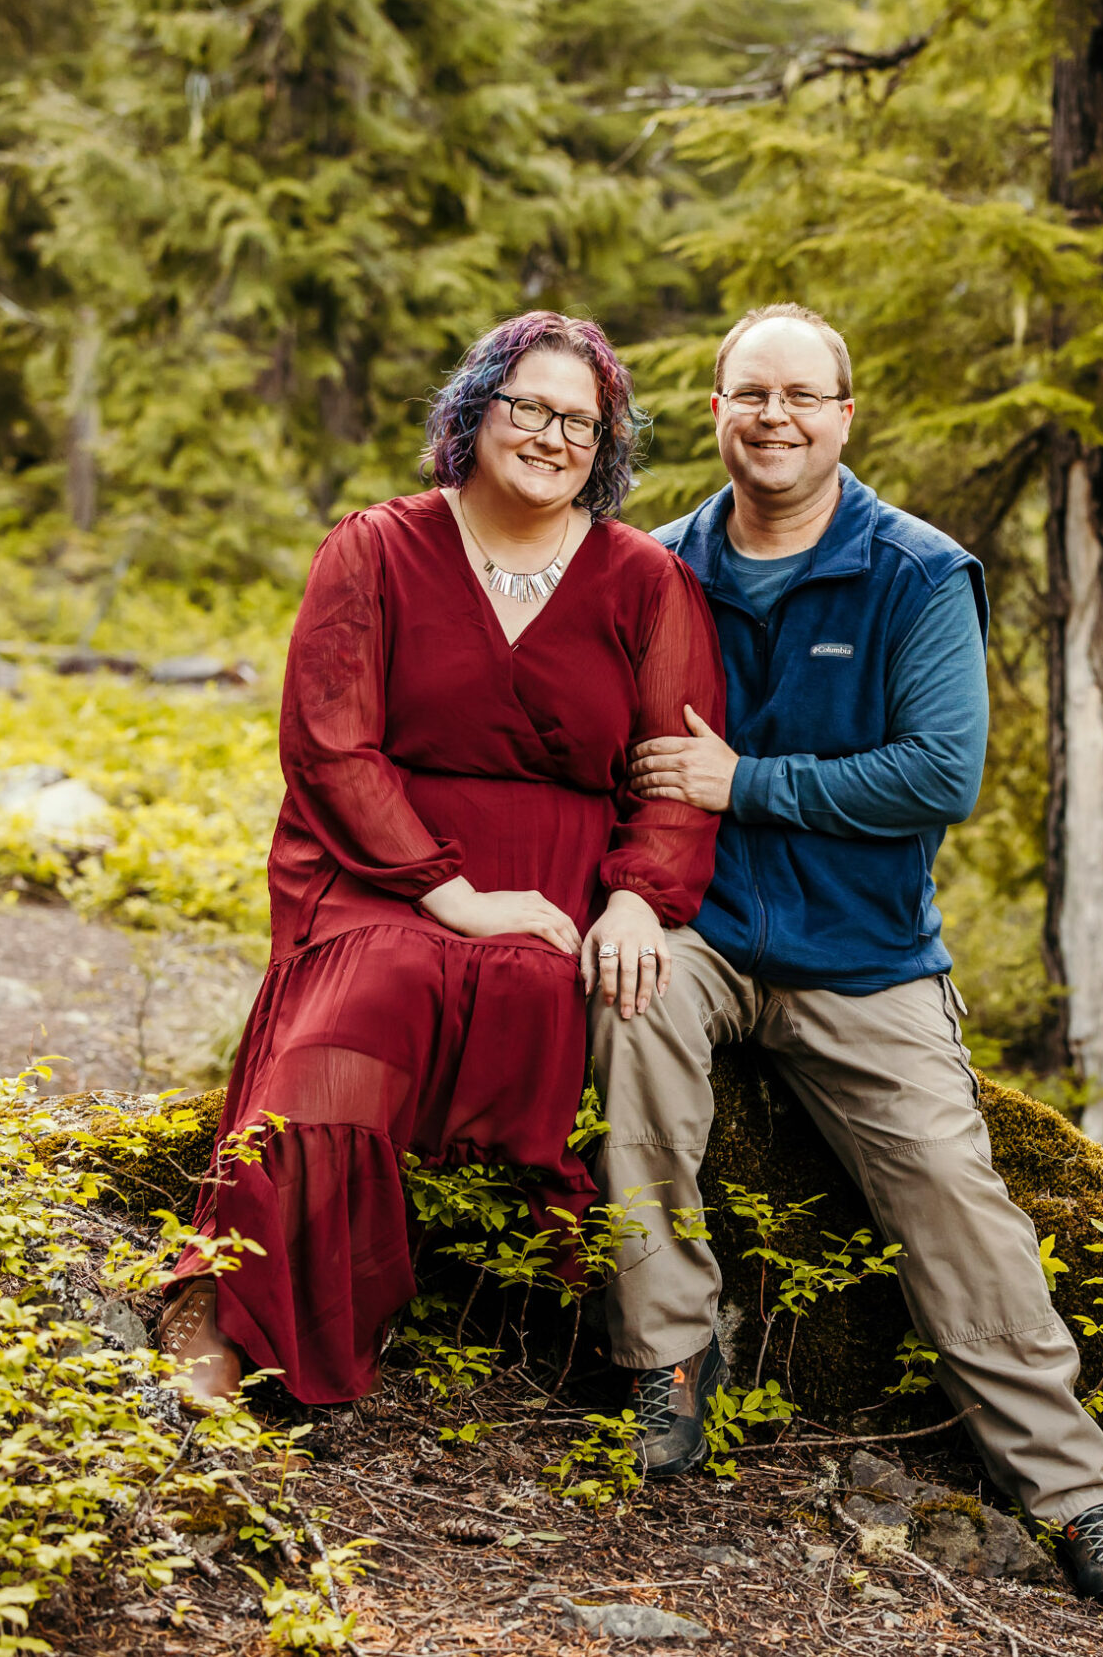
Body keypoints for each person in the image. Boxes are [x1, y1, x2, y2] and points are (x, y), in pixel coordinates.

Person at [595, 303, 1103, 1609]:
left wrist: (747, 781)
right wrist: (624, 897)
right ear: (719, 411)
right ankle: (670, 1365)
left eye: (802, 395)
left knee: (953, 1192)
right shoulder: (659, 567)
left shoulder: (917, 573)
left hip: (866, 957)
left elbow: (940, 774)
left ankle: (1077, 1493)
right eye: (752, 394)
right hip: (705, 931)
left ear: (846, 416)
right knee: (629, 1022)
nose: (775, 417)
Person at [157, 312, 725, 1409]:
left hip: (557, 880)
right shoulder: (375, 546)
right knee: (355, 1019)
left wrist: (637, 901)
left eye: (581, 420)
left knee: (531, 988)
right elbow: (328, 741)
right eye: (528, 406)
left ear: (605, 446)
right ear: (475, 411)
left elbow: (673, 770)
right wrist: (451, 894)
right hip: (381, 861)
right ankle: (223, 1301)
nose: (552, 435)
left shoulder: (644, 579)